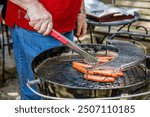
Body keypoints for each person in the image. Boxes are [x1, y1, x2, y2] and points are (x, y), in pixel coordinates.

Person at [5, 0, 87, 100]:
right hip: (36, 27)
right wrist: (31, 5)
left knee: (60, 90)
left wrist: (80, 10)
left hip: (67, 24)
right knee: (37, 95)